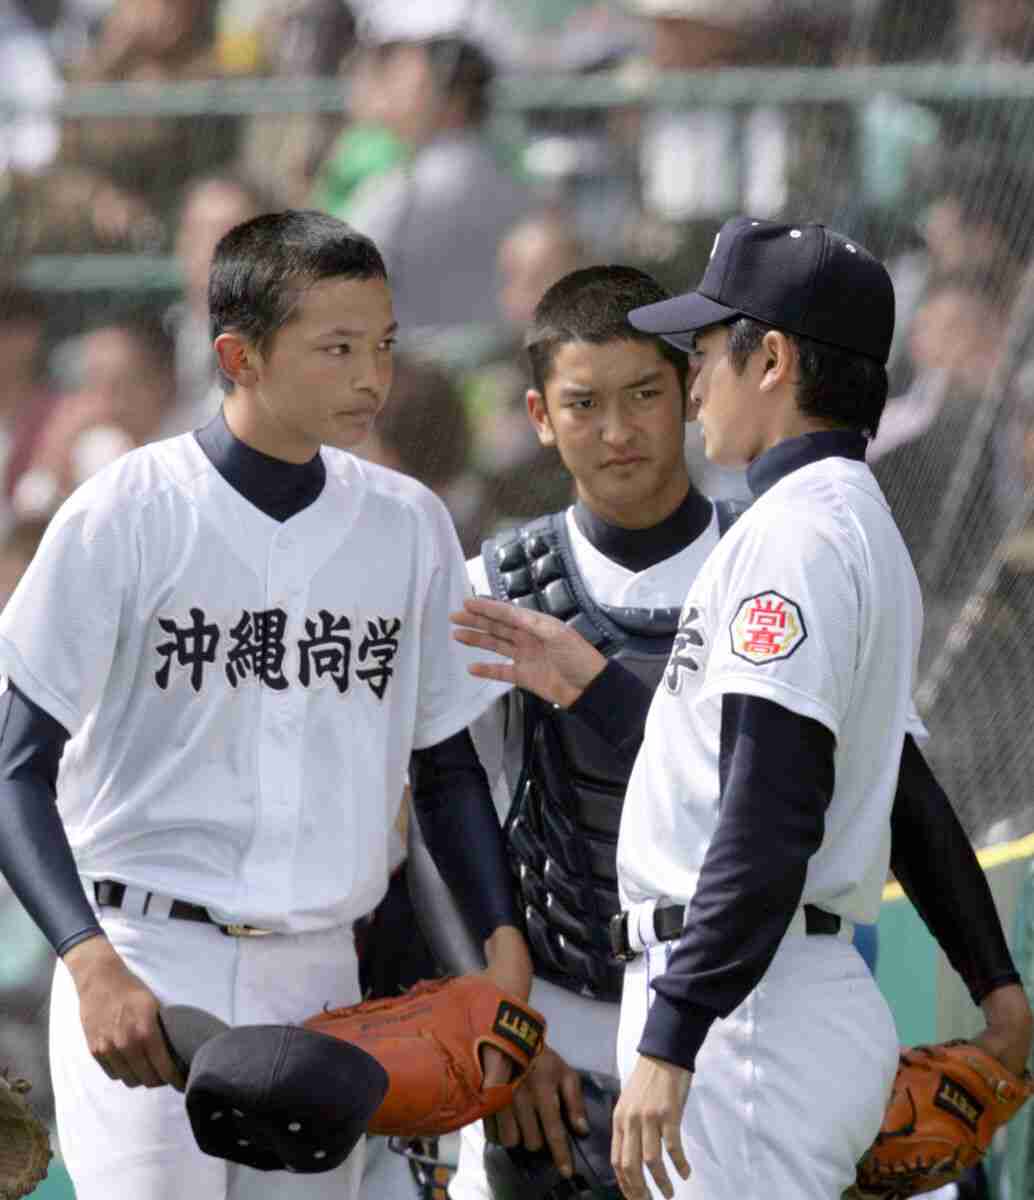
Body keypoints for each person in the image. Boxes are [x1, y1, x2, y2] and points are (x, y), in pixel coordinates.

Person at [450, 217, 1032, 1200]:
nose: (694, 386)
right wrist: (997, 988)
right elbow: (897, 789)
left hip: (747, 1019)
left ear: (771, 360)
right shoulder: (845, 522)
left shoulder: (789, 539)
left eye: (708, 350)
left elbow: (767, 818)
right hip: (763, 1003)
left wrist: (672, 1038)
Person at [0, 209, 530, 1200]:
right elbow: (13, 767)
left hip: (323, 974)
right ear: (238, 356)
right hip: (148, 962)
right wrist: (89, 963)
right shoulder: (126, 510)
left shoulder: (409, 525)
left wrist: (502, 950)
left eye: (382, 345)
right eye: (336, 348)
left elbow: (447, 767)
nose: (371, 377)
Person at [428, 264, 748, 1200]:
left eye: (644, 394)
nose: (617, 431)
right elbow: (441, 811)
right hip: (552, 1024)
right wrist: (501, 1023)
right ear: (539, 414)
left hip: (735, 1019)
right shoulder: (493, 588)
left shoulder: (766, 563)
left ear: (690, 390)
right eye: (584, 404)